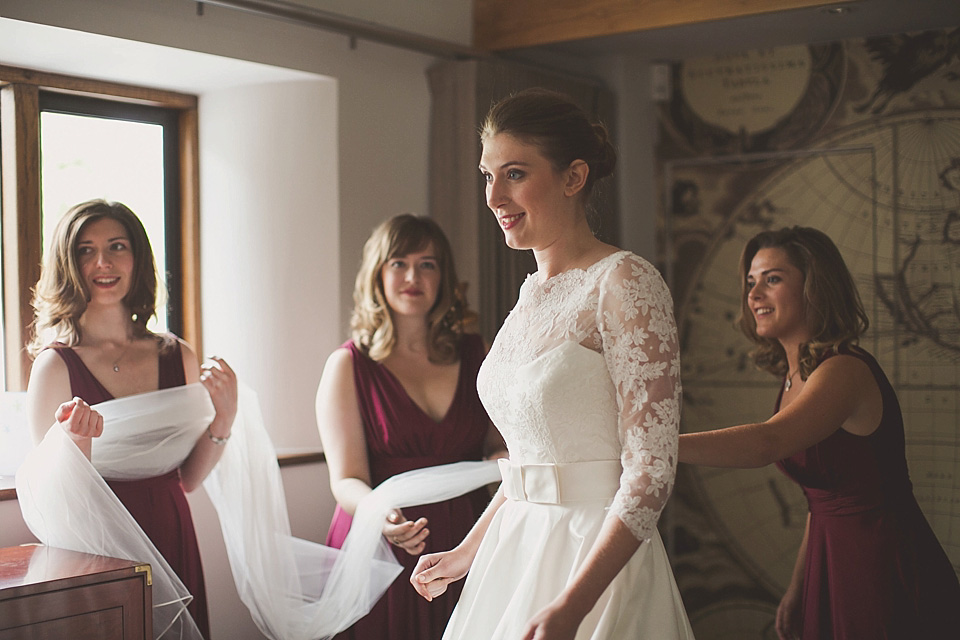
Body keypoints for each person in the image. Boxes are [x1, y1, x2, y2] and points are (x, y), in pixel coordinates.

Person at [410, 88, 694, 640]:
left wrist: (574, 604)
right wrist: (468, 551)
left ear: (573, 177)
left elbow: (649, 475)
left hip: (595, 558)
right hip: (513, 553)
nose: (494, 196)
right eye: (487, 176)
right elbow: (530, 461)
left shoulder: (625, 282)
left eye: (514, 173)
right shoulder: (529, 296)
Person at [677, 226, 960, 640]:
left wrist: (652, 444)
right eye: (751, 282)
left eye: (772, 279)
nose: (753, 295)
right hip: (830, 561)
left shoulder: (843, 369)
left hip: (881, 562)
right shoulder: (796, 378)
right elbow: (821, 496)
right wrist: (798, 588)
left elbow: (766, 443)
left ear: (815, 288)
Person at [25, 199, 238, 639]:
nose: (102, 262)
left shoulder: (176, 354)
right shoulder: (54, 367)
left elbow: (188, 479)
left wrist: (224, 418)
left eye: (117, 246)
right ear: (68, 263)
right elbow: (48, 500)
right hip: (97, 547)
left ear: (138, 258)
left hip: (172, 529)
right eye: (85, 250)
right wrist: (76, 446)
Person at [315, 213, 505, 640]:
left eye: (428, 264)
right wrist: (381, 517)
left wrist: (509, 460)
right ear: (377, 274)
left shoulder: (479, 352)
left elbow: (497, 446)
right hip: (380, 546)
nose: (412, 276)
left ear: (444, 277)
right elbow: (346, 479)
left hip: (466, 537)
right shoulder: (348, 365)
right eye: (398, 262)